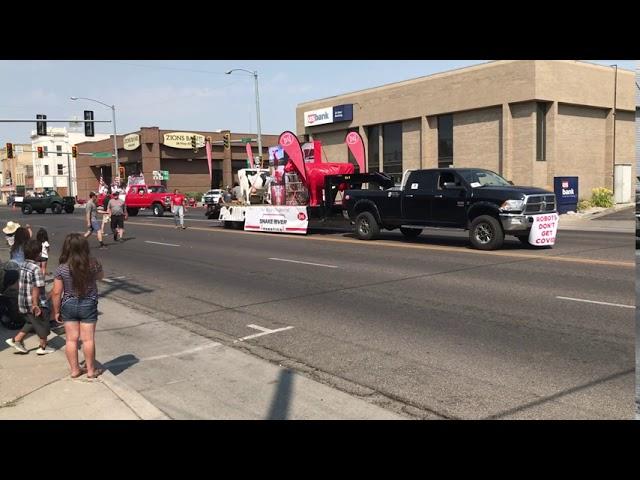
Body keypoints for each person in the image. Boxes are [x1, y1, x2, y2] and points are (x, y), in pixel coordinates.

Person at [51, 234, 104, 378]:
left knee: (71, 339)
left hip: (68, 304)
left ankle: (75, 370)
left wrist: (56, 311)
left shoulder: (61, 268)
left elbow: (56, 292)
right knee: (88, 339)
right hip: (89, 303)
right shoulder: (93, 264)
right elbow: (101, 277)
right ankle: (91, 371)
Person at [5, 239, 54, 355]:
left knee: (31, 322)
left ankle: (16, 340)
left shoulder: (22, 265)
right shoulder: (36, 269)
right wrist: (36, 304)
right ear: (37, 254)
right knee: (43, 323)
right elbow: (36, 287)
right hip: (35, 302)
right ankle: (43, 347)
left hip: (23, 301)